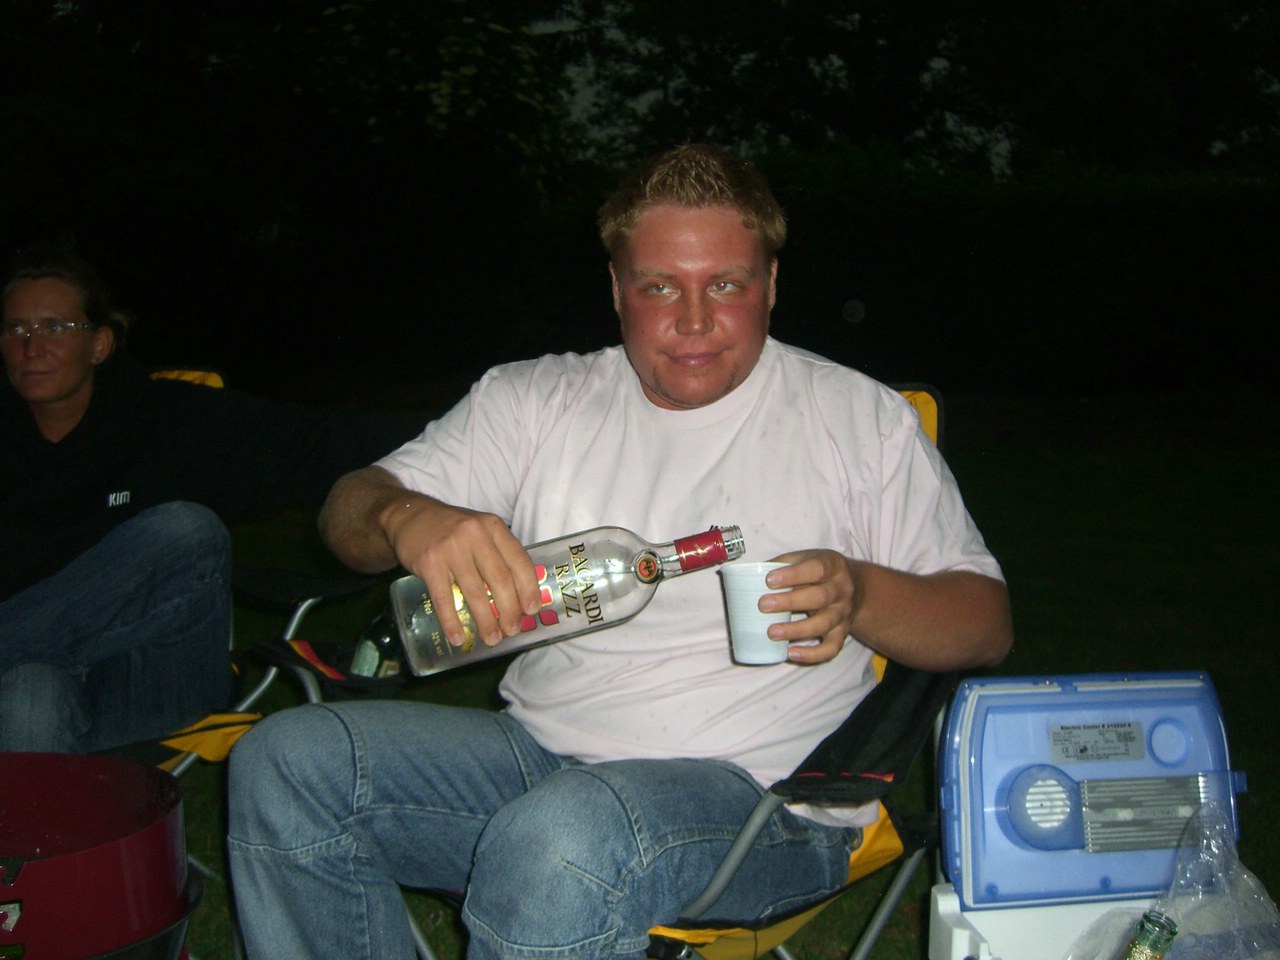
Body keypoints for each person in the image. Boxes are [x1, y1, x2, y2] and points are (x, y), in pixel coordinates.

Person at [227, 143, 1014, 960]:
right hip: (540, 758)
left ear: (772, 285)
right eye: (660, 286)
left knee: (564, 839)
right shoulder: (534, 402)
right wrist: (405, 516)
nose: (695, 320)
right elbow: (348, 511)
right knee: (287, 761)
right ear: (616, 289)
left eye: (727, 285)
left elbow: (985, 624)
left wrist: (863, 593)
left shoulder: (858, 419)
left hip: (762, 803)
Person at [0, 243, 421, 753]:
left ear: (100, 344)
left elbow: (310, 443)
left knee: (185, 532)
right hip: (36, 675)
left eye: (55, 327)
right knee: (28, 696)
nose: (31, 347)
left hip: (158, 679)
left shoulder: (164, 420)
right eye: (16, 329)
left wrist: (458, 438)